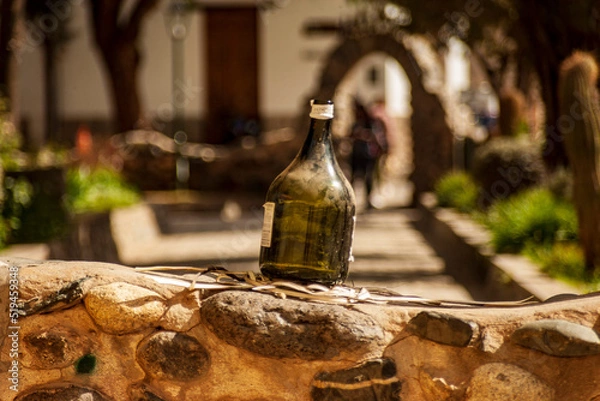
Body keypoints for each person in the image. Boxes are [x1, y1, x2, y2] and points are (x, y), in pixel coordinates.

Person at [349, 99, 388, 209]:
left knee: (368, 177)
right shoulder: (357, 123)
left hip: (368, 154)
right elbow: (350, 135)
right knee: (355, 177)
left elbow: (376, 136)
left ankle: (368, 200)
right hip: (357, 153)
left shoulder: (371, 123)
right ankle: (351, 199)